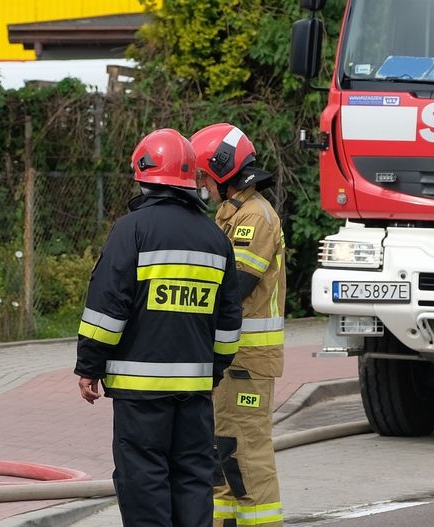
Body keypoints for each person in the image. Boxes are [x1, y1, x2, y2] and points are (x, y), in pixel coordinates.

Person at [75, 128, 243, 527]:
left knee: (144, 479)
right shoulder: (216, 239)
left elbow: (107, 308)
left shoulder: (131, 231)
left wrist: (89, 366)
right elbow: (229, 321)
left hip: (140, 395)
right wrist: (214, 370)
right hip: (195, 392)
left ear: (144, 175)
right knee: (193, 478)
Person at [191, 123, 286, 527]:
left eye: (204, 175)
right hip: (232, 358)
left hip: (249, 361)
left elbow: (235, 285)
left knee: (247, 456)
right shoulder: (230, 213)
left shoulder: (256, 217)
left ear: (223, 170)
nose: (201, 184)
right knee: (222, 456)